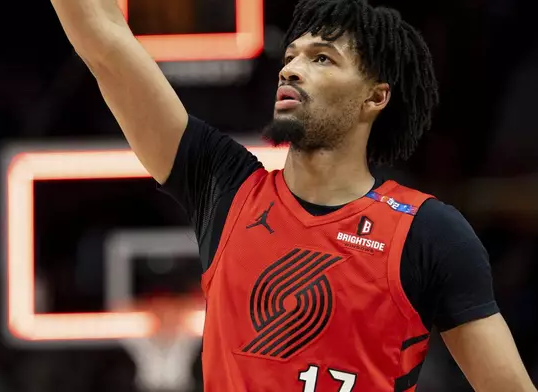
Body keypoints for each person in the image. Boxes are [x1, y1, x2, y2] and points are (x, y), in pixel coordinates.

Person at [49, 0, 537, 390]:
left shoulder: (428, 233)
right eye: (291, 56)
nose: (292, 69)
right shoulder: (224, 186)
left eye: (321, 58)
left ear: (375, 97)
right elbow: (106, 44)